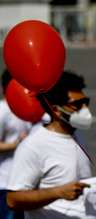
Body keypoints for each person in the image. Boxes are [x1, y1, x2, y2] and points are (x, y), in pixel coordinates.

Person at [6, 71, 92, 219]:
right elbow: (13, 199)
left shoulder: (78, 136)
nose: (85, 109)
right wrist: (58, 193)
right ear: (56, 110)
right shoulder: (33, 145)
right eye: (77, 105)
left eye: (86, 102)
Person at [0, 69, 31, 219]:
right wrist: (18, 143)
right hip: (5, 183)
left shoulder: (26, 107)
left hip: (25, 184)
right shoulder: (2, 111)